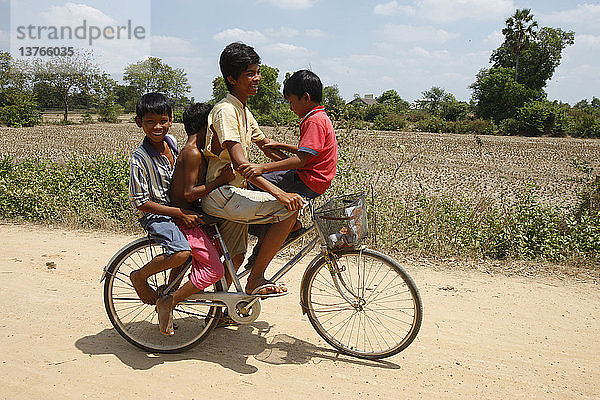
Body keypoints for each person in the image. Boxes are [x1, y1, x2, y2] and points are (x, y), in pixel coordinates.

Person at [201, 42, 304, 297]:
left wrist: (304, 166)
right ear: (231, 78)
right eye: (250, 73)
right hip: (221, 192)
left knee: (235, 257)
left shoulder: (243, 111)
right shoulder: (226, 111)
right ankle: (256, 277)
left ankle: (221, 311)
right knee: (286, 210)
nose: (257, 78)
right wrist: (280, 195)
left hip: (235, 193)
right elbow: (241, 165)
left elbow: (266, 147)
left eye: (257, 71)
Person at [237, 69, 338, 268]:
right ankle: (287, 227)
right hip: (315, 181)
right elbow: (310, 150)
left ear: (306, 98)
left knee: (247, 187)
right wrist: (280, 146)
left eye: (292, 102)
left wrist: (261, 168)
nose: (291, 107)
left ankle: (275, 235)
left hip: (306, 180)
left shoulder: (313, 120)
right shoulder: (320, 117)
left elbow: (302, 159)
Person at [155, 102, 235, 335]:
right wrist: (221, 180)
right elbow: (189, 193)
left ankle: (169, 294)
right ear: (206, 127)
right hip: (184, 221)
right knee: (215, 270)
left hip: (190, 216)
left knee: (189, 264)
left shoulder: (197, 151)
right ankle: (170, 301)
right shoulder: (192, 153)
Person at [128, 93, 202, 307]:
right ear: (138, 122)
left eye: (163, 120)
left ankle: (170, 291)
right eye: (150, 122)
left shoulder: (172, 142)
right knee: (181, 253)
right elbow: (140, 202)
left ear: (171, 119)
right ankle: (139, 277)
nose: (157, 127)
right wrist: (178, 213)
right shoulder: (139, 158)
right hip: (155, 215)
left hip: (175, 208)